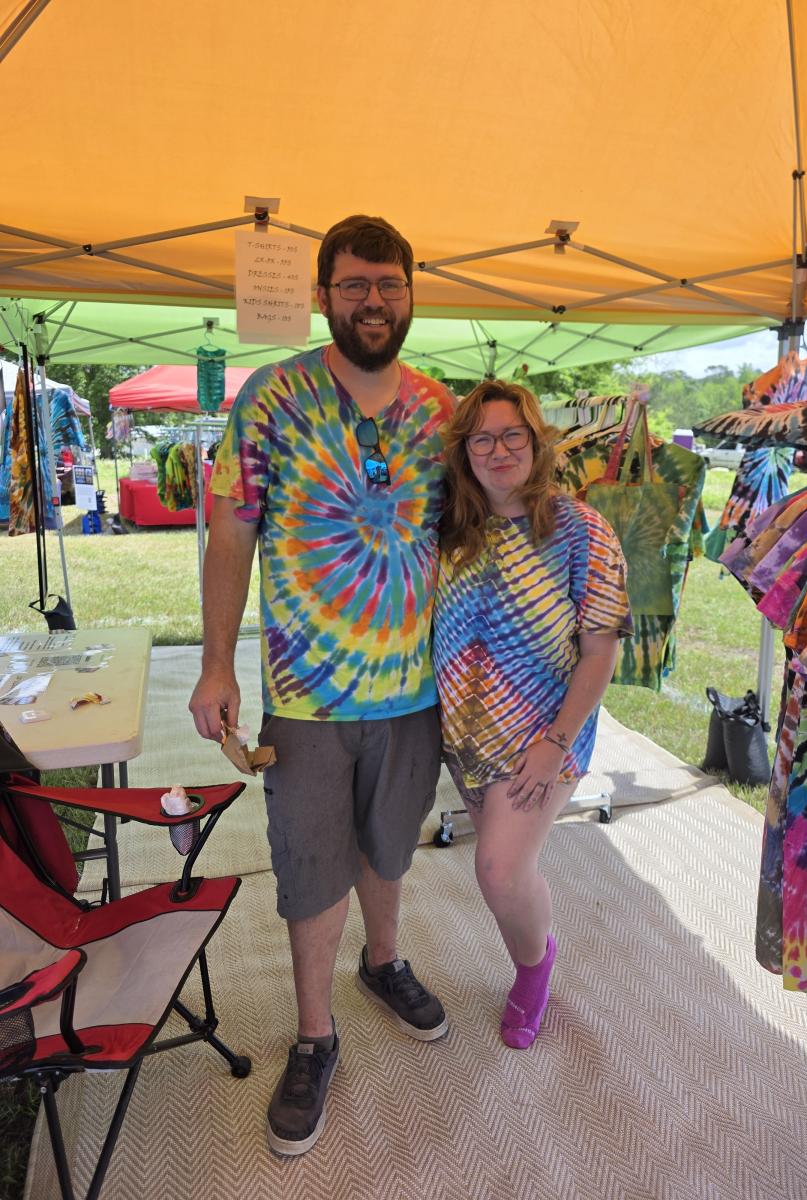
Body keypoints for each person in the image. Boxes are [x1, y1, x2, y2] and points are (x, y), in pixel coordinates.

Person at [189, 214, 456, 1156]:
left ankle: (383, 963)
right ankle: (314, 1036)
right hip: (306, 694)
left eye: (388, 284)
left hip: (415, 690)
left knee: (390, 845)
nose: (372, 301)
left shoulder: (442, 412)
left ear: (411, 294)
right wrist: (215, 663)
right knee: (309, 863)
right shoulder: (271, 397)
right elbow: (231, 534)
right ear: (322, 295)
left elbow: (481, 534)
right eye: (354, 285)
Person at [432, 381, 632, 1049]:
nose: (498, 450)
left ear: (537, 441)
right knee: (503, 873)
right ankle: (530, 952)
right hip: (463, 737)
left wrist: (555, 743)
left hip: (543, 740)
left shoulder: (580, 530)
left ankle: (534, 967)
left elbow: (600, 651)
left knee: (499, 870)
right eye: (481, 438)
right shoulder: (450, 530)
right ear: (464, 452)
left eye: (512, 434)